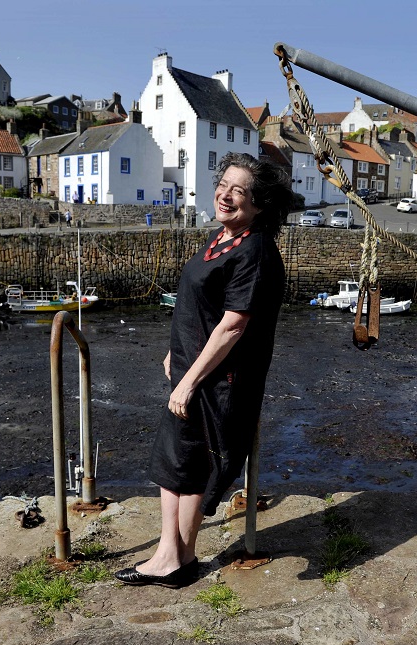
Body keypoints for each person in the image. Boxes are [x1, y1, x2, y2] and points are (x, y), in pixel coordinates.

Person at [115, 152, 292, 589]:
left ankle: (175, 561)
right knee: (173, 462)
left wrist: (190, 379)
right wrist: (176, 355)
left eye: (239, 191)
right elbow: (204, 308)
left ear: (260, 205)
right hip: (192, 371)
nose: (226, 194)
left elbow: (233, 326)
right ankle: (171, 554)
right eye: (224, 184)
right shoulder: (222, 237)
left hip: (217, 382)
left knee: (193, 466)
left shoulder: (254, 250)